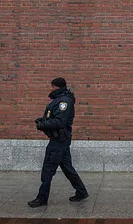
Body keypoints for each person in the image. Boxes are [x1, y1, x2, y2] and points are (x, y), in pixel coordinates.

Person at [28, 77, 88, 208]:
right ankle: (82, 192)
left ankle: (41, 198)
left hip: (58, 141)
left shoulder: (64, 101)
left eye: (52, 87)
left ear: (57, 87)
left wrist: (43, 125)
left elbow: (60, 122)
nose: (51, 89)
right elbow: (54, 118)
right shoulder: (59, 99)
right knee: (67, 168)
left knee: (48, 169)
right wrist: (42, 120)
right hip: (61, 140)